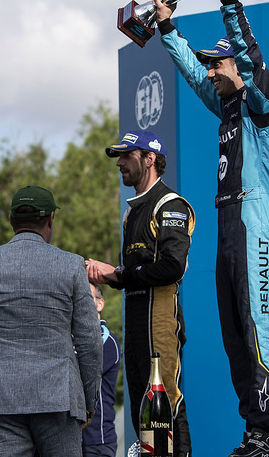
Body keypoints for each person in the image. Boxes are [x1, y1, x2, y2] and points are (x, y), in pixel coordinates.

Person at [154, 0, 269, 456]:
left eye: (219, 64)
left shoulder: (263, 103)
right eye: (211, 64)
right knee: (234, 334)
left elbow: (249, 55)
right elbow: (191, 73)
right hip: (227, 220)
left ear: (239, 69)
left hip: (255, 221)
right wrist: (167, 26)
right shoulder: (225, 104)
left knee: (255, 325)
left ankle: (268, 432)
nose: (211, 70)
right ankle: (252, 432)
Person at [0, 185, 102, 457]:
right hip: (60, 399)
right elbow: (90, 340)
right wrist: (88, 402)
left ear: (11, 220)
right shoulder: (71, 266)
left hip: (0, 398)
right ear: (50, 220)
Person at [86, 130, 195, 457]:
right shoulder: (131, 213)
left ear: (150, 159)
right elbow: (133, 275)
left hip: (160, 322)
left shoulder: (171, 204)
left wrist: (117, 273)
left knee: (165, 401)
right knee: (141, 410)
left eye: (127, 155)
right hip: (135, 324)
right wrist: (115, 276)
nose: (119, 163)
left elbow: (172, 267)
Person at [82, 284, 121, 457]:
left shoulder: (107, 341)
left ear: (100, 304)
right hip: (67, 439)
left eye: (86, 297)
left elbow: (81, 373)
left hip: (97, 441)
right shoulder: (67, 339)